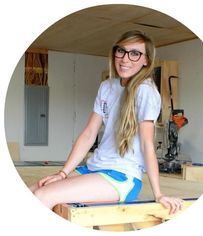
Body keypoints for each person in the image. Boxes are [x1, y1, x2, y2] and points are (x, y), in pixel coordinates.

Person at [30, 30, 183, 214]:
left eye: (135, 54)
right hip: (93, 168)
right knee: (33, 191)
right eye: (121, 51)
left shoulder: (146, 91)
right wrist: (62, 173)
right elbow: (88, 134)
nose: (125, 59)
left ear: (146, 60)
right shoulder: (107, 86)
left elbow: (146, 143)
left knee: (44, 196)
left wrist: (158, 194)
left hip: (122, 176)